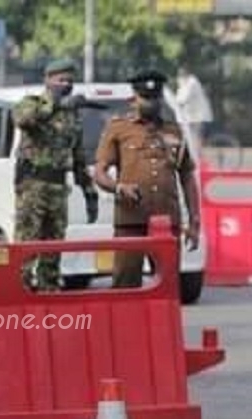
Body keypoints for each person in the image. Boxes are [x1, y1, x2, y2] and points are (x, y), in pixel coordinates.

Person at [92, 69, 201, 289]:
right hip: (130, 220)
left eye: (156, 97)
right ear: (134, 99)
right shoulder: (118, 129)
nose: (152, 103)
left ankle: (163, 325)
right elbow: (100, 173)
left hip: (166, 220)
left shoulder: (174, 131)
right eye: (146, 98)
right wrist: (119, 188)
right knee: (125, 284)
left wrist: (194, 221)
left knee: (168, 286)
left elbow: (187, 176)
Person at [12, 58, 98, 291]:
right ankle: (20, 293)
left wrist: (89, 191)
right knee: (26, 246)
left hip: (58, 188)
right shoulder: (31, 103)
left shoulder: (72, 116)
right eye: (61, 80)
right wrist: (57, 103)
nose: (66, 84)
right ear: (48, 80)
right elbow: (24, 119)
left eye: (70, 81)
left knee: (53, 248)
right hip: (32, 186)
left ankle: (48, 293)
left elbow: (78, 158)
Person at [174, 67, 213, 153]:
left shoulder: (192, 83)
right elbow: (179, 97)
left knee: (196, 140)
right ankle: (194, 158)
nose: (180, 77)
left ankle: (198, 159)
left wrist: (177, 103)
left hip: (199, 117)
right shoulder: (183, 84)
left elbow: (184, 98)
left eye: (182, 75)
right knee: (188, 140)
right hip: (191, 118)